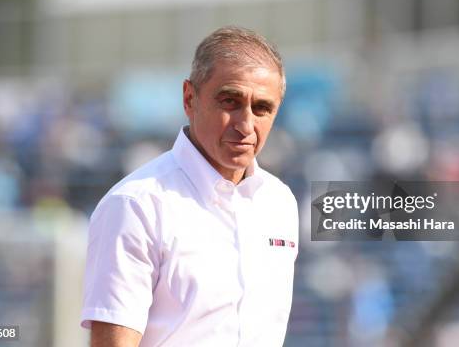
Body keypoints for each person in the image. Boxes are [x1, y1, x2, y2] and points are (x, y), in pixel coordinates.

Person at [81, 26, 299, 346]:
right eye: (230, 101)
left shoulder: (279, 202)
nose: (246, 125)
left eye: (262, 108)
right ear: (189, 98)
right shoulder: (136, 205)